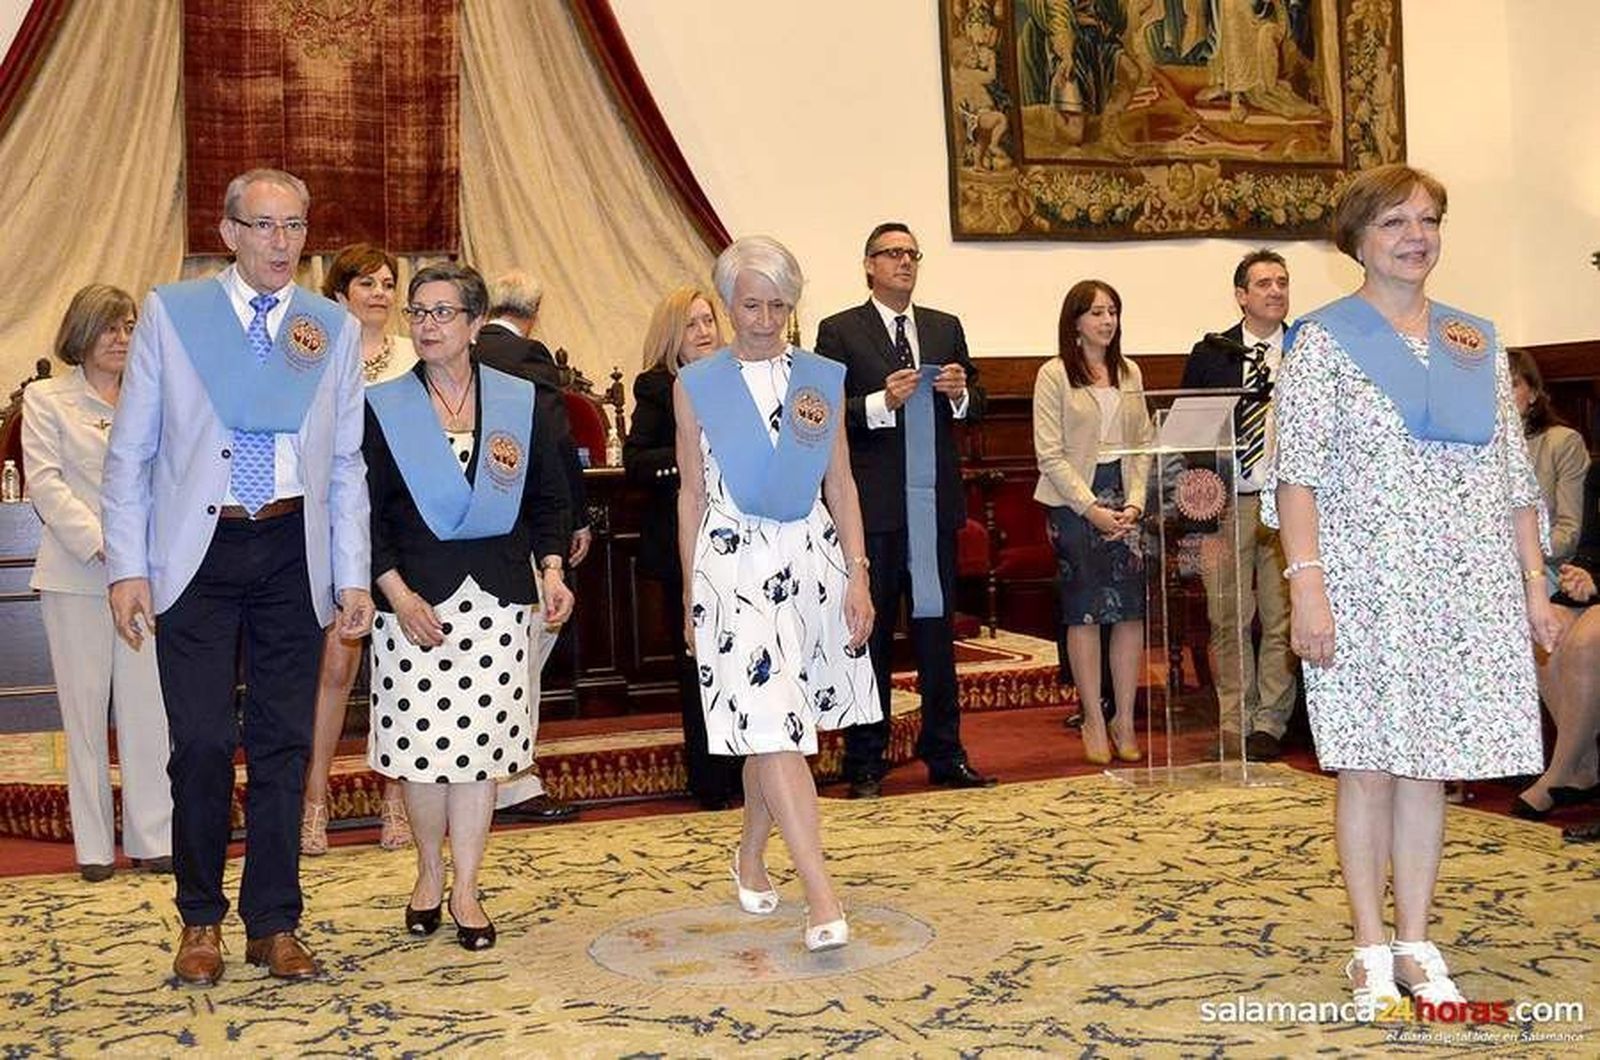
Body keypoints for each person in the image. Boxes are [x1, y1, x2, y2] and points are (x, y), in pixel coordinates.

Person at [1262, 164, 1559, 1009]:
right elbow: (1298, 478)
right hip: (1365, 586)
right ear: (1357, 237)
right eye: (1395, 222)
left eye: (1428, 220)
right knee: (1369, 769)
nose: (1415, 236)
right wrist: (1307, 589)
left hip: (1465, 588)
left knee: (1429, 769)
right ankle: (1367, 945)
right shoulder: (1322, 341)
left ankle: (1416, 940)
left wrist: (1534, 586)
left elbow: (1513, 480)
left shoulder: (1475, 340)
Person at [102, 168, 374, 985]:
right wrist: (125, 568)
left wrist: (353, 575)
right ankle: (199, 920)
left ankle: (273, 922)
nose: (280, 243)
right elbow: (133, 451)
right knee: (205, 742)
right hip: (196, 555)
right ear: (227, 233)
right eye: (263, 226)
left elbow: (347, 462)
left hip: (294, 550)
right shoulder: (173, 315)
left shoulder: (330, 327)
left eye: (294, 227)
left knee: (286, 742)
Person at [364, 263, 574, 952]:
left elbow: (549, 497)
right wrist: (396, 593)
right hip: (416, 603)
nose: (426, 325)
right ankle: (429, 873)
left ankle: (467, 888)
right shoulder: (385, 406)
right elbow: (367, 514)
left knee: (480, 756)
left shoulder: (520, 401)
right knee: (424, 755)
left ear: (476, 323)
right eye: (417, 313)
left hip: (499, 600)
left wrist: (551, 568)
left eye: (442, 312)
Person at [676, 236, 878, 951]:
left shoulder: (822, 377)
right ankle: (822, 896)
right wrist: (688, 594)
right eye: (750, 304)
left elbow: (843, 483)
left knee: (779, 727)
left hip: (812, 561)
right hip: (732, 568)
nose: (764, 319)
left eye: (778, 305)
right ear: (727, 304)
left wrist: (859, 573)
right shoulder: (698, 384)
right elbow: (694, 494)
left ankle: (751, 853)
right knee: (772, 725)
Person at [814, 222, 996, 799]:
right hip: (874, 511)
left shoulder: (945, 327)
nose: (904, 263)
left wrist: (961, 392)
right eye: (892, 254)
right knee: (869, 638)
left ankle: (945, 753)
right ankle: (865, 760)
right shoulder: (839, 331)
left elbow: (979, 401)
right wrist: (878, 402)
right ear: (868, 265)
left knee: (936, 635)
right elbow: (822, 412)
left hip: (933, 509)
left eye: (912, 254)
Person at [21, 285, 173, 882]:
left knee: (147, 710)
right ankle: (91, 846)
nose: (121, 338)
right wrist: (106, 544)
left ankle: (152, 835)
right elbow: (48, 484)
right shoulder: (47, 398)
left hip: (143, 578)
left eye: (130, 327)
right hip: (76, 574)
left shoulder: (152, 397)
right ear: (81, 333)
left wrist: (140, 554)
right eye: (110, 327)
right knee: (83, 715)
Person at [301, 243, 417, 856]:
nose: (379, 292)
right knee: (336, 668)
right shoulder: (320, 353)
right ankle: (314, 802)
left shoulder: (411, 356)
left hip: (400, 529)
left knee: (398, 674)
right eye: (365, 282)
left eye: (387, 282)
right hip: (335, 524)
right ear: (340, 294)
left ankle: (395, 803)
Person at [623, 284, 742, 810]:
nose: (703, 332)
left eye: (708, 321)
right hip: (685, 544)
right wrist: (688, 459)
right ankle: (710, 779)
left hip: (741, 541)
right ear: (674, 334)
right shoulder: (655, 387)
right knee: (699, 665)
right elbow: (638, 462)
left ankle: (747, 771)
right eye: (692, 324)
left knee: (742, 659)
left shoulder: (739, 379)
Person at [474, 269, 586, 824]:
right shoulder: (530, 357)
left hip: (470, 531)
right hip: (524, 533)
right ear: (535, 313)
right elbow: (556, 446)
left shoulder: (465, 353)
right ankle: (511, 780)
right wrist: (575, 521)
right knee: (522, 662)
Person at [1181, 249, 1297, 761]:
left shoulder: (1308, 351)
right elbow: (1188, 436)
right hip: (1225, 502)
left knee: (1281, 618)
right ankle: (1235, 720)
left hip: (1288, 504)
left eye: (1282, 282)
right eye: (1264, 283)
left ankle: (1270, 722)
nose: (1275, 291)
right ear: (1241, 296)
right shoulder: (1211, 353)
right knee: (1226, 616)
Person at [1032, 280, 1154, 765]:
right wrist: (1092, 509)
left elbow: (1144, 443)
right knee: (1085, 613)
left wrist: (1136, 504)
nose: (1107, 321)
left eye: (1113, 312)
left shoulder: (1130, 372)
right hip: (1073, 504)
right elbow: (1050, 455)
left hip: (1125, 503)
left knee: (1128, 612)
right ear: (1075, 322)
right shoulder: (1054, 374)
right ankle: (1094, 718)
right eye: (1096, 313)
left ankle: (1125, 716)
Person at [1509, 347, 1588, 573]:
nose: (1501, 393)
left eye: (1512, 384)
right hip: (1488, 569)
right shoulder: (1476, 448)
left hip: (1545, 568)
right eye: (1494, 385)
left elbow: (1568, 532)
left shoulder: (1563, 442)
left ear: (1533, 394)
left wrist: (1518, 555)